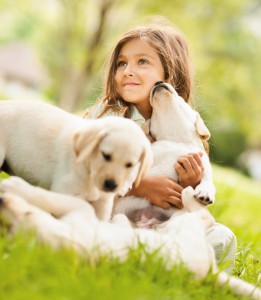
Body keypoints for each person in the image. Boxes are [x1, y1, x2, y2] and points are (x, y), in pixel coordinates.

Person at [84, 19, 237, 272]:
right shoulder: (108, 116)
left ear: (169, 72)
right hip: (111, 217)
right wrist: (139, 186)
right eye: (122, 63)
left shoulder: (183, 125)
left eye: (142, 62)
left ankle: (187, 272)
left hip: (161, 225)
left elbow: (192, 202)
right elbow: (83, 170)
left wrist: (189, 186)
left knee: (220, 237)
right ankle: (131, 260)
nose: (127, 71)